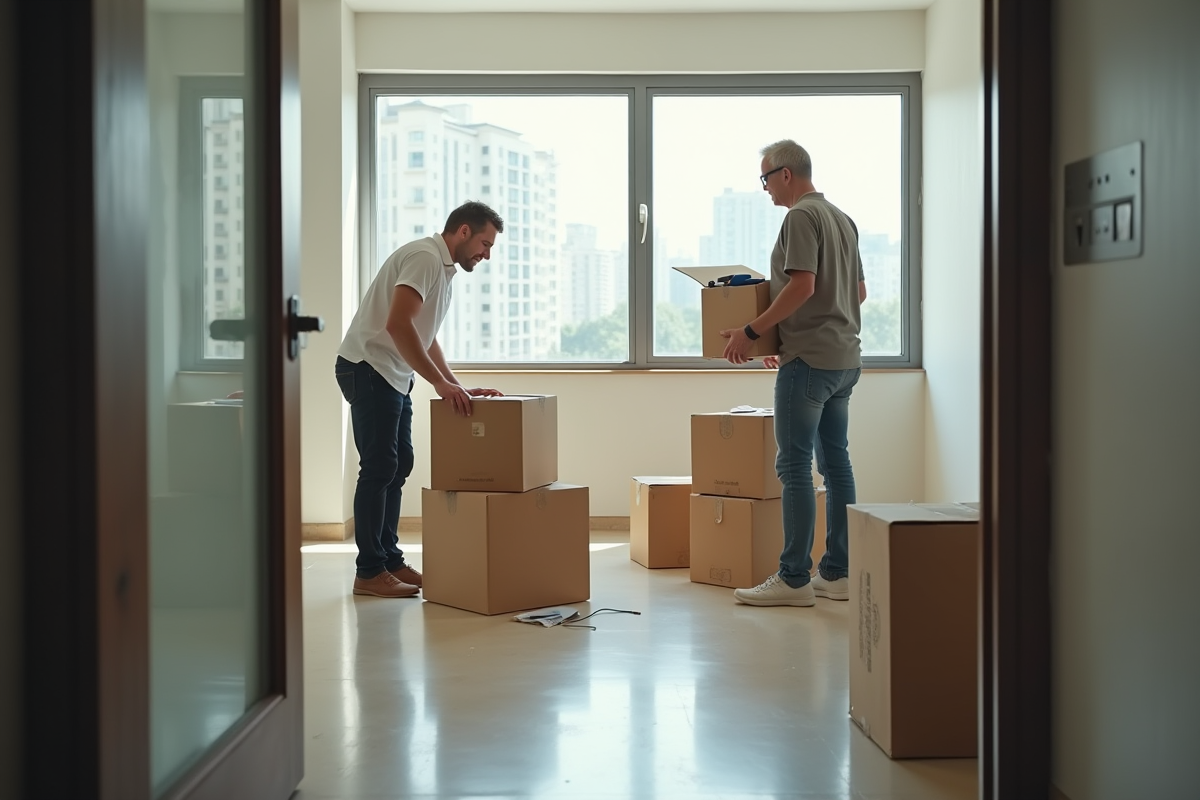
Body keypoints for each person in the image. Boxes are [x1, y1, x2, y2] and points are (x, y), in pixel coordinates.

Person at [720, 140, 867, 607]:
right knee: (836, 465)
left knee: (794, 467)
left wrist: (751, 331)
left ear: (787, 174)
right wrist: (782, 339)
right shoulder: (843, 219)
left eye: (765, 178)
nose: (763, 187)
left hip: (809, 363)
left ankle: (794, 579)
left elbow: (803, 285)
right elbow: (856, 293)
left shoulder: (801, 217)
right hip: (844, 361)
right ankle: (838, 573)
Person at [335, 201, 505, 598]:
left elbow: (424, 336)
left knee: (399, 464)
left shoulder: (442, 270)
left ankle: (390, 560)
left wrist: (453, 384)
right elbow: (397, 324)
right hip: (368, 366)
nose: (486, 253)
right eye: (485, 242)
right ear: (462, 231)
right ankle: (369, 571)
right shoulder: (426, 258)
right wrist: (441, 385)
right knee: (379, 467)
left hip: (393, 372)